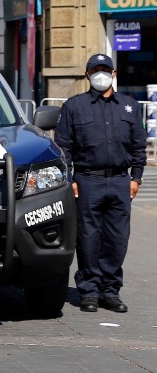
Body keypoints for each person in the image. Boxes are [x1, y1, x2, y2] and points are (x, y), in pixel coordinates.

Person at [54, 53, 146, 314]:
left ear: (114, 74)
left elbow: (139, 145)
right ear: (87, 75)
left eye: (106, 70)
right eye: (96, 71)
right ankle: (89, 292)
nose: (101, 75)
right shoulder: (74, 106)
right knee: (88, 239)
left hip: (120, 180)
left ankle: (110, 291)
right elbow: (64, 147)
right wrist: (70, 179)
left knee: (117, 239)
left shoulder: (129, 106)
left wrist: (136, 177)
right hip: (87, 181)